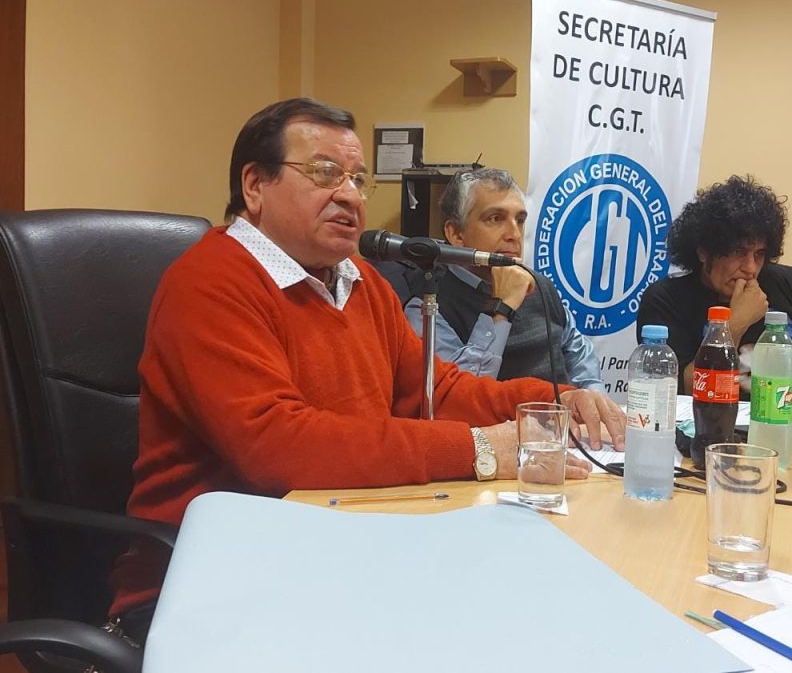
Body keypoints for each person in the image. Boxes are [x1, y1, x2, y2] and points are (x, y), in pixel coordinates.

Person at [109, 98, 625, 639]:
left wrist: (551, 401)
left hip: (336, 550)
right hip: (211, 582)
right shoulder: (209, 284)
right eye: (325, 173)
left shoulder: (357, 279)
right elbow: (277, 445)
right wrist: (480, 448)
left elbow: (434, 391)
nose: (351, 195)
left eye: (358, 179)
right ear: (255, 185)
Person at [636, 174, 792, 395]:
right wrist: (736, 323)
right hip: (710, 416)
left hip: (791, 414)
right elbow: (677, 390)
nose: (750, 268)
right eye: (738, 252)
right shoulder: (666, 299)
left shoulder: (782, 282)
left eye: (759, 254)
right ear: (704, 252)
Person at [398, 168, 604, 390]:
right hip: (497, 413)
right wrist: (502, 307)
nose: (514, 234)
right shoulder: (428, 307)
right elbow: (458, 395)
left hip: (557, 410)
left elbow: (579, 356)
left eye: (520, 220)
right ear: (456, 234)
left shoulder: (539, 285)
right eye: (495, 219)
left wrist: (593, 398)